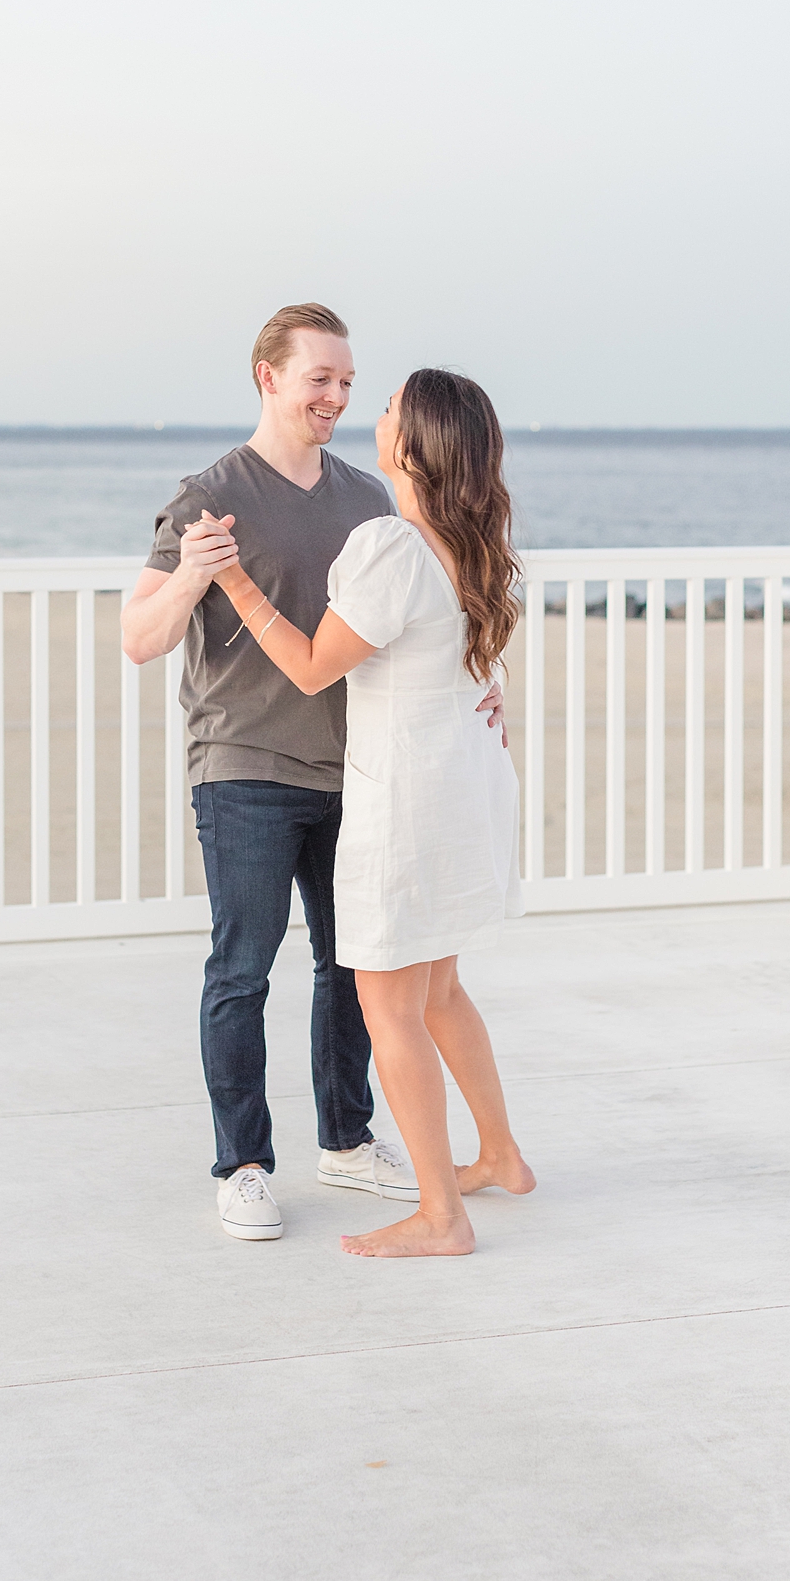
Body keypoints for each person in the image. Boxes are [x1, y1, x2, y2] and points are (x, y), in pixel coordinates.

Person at [119, 306, 506, 1243]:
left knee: (354, 969)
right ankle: (244, 1164)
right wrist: (194, 576)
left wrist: (488, 684)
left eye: (347, 381)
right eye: (318, 378)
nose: (335, 396)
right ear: (267, 377)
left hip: (359, 774)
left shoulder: (369, 500)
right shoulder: (208, 496)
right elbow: (139, 639)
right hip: (244, 760)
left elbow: (426, 613)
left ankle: (347, 1137)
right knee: (242, 970)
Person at [204, 367, 534, 1259]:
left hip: (410, 806)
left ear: (413, 444)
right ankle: (499, 1154)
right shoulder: (473, 546)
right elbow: (466, 666)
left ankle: (441, 1216)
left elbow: (314, 666)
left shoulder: (393, 545)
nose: (369, 412)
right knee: (440, 991)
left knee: (389, 1007)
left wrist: (235, 587)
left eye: (385, 407)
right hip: (464, 792)